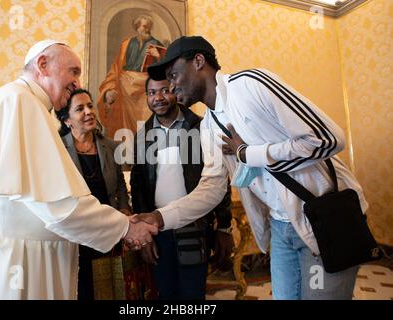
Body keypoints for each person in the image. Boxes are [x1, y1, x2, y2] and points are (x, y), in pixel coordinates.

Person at [137, 36, 369, 300]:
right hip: (281, 227)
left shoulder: (250, 84)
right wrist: (159, 217)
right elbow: (211, 188)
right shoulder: (209, 126)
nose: (171, 84)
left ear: (199, 62)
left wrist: (246, 153)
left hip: (325, 218)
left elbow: (328, 138)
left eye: (175, 75)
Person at [0, 40, 157, 299]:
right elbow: (60, 207)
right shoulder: (22, 104)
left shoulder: (15, 98)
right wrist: (125, 227)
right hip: (8, 256)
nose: (77, 83)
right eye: (73, 71)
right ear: (42, 65)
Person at [130, 77, 233, 299]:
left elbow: (219, 181)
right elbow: (138, 188)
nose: (158, 97)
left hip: (194, 226)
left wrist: (224, 227)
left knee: (193, 294)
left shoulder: (201, 126)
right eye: (151, 92)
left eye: (164, 90)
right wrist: (143, 235)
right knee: (166, 293)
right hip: (158, 231)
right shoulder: (142, 136)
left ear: (175, 91)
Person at [56, 88, 132, 300]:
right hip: (76, 236)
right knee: (81, 290)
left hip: (108, 232)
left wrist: (124, 209)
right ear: (67, 120)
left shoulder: (110, 146)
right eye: (80, 109)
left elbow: (119, 186)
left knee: (109, 291)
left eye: (90, 106)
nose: (89, 111)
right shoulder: (58, 150)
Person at [96, 14, 164, 138]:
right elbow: (116, 68)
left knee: (145, 126)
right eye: (143, 26)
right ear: (137, 27)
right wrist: (108, 90)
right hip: (125, 84)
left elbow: (164, 71)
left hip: (145, 86)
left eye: (148, 27)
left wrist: (157, 56)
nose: (146, 29)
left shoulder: (156, 44)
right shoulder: (126, 44)